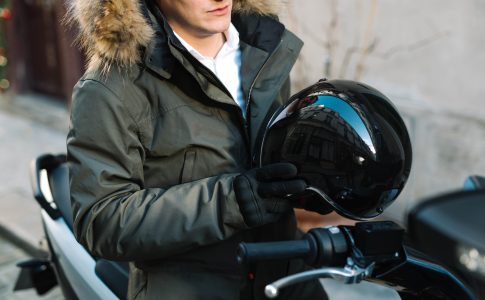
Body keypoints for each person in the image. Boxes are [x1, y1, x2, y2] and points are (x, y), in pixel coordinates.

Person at [66, 0, 328, 299]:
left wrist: (312, 185)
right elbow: (101, 221)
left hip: (288, 277)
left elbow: (270, 159)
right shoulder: (110, 88)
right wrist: (231, 202)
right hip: (188, 288)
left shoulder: (264, 46)